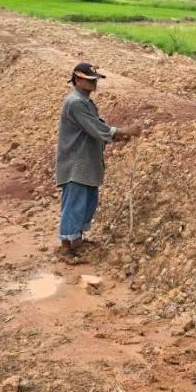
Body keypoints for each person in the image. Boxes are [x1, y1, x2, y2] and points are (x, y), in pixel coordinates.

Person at [54, 62, 140, 260]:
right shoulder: (75, 102)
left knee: (87, 201)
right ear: (77, 79)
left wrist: (116, 136)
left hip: (86, 160)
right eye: (89, 80)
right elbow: (95, 128)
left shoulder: (86, 102)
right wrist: (124, 132)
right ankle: (67, 246)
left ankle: (77, 241)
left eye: (95, 80)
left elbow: (96, 127)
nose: (94, 84)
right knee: (75, 203)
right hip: (76, 161)